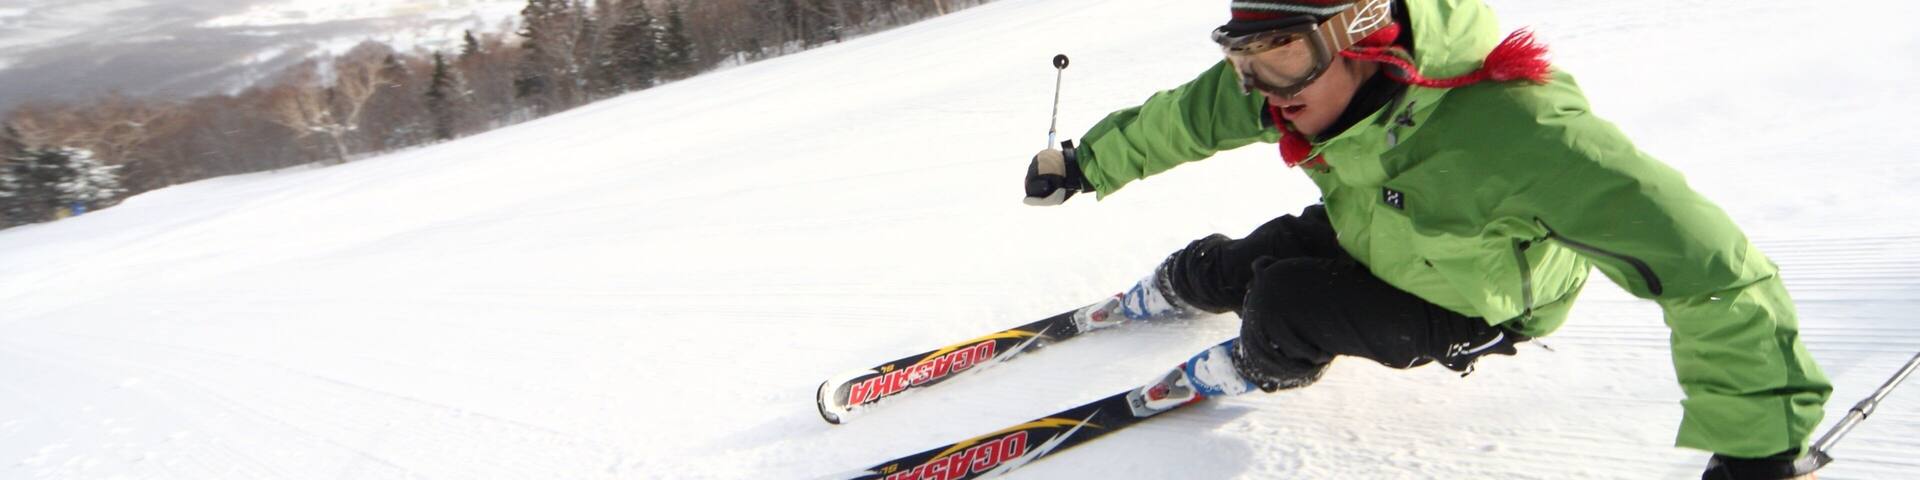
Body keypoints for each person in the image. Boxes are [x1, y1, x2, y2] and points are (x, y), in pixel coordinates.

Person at [1020, 1, 1831, 478]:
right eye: (1244, 59)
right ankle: (1179, 286)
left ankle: (1262, 361)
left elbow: (1714, 272)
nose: (1259, 88)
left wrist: (1760, 447)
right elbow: (1192, 114)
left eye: (1280, 56)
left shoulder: (1525, 133)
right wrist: (1085, 159)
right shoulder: (1294, 80)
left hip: (1473, 303)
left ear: (1364, 35)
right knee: (1234, 259)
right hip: (1383, 234)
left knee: (1284, 298)